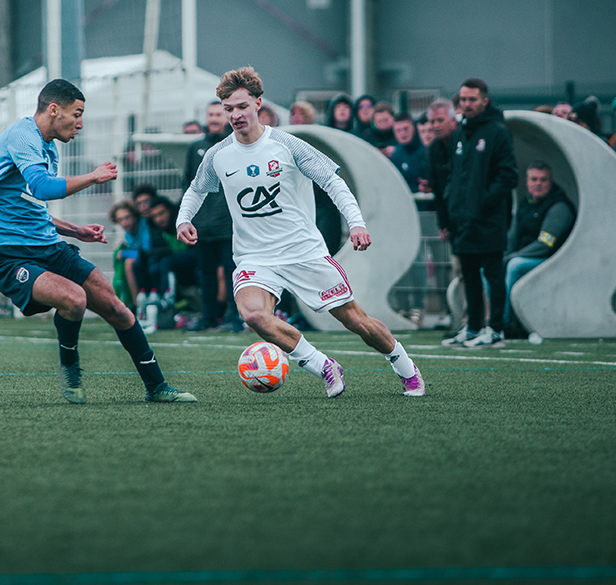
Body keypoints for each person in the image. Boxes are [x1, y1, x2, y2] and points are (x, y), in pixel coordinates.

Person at [177, 66, 425, 398]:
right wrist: (183, 219)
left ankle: (405, 368)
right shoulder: (218, 155)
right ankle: (323, 365)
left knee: (356, 320)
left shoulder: (288, 145)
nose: (235, 115)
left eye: (241, 106)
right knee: (253, 315)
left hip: (304, 252)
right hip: (255, 257)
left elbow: (333, 182)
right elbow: (195, 190)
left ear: (258, 104)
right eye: (228, 109)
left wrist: (357, 223)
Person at [0, 79, 195, 404]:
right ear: (54, 110)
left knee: (117, 308)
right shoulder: (22, 137)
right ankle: (71, 368)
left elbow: (28, 205)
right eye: (76, 114)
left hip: (50, 248)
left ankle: (157, 386)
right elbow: (41, 188)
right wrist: (94, 176)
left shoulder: (48, 146)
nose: (80, 123)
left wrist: (74, 230)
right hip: (8, 256)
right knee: (74, 299)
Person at [433, 78, 519, 348]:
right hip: (463, 222)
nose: (466, 104)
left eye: (472, 99)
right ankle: (472, 329)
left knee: (493, 275)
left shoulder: (497, 132)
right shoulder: (459, 134)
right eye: (463, 100)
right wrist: (453, 210)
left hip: (489, 220)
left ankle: (495, 330)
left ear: (485, 101)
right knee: (468, 276)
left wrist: (481, 204)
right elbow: (455, 178)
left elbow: (508, 176)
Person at [184, 101, 240, 332]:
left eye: (218, 114)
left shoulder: (235, 146)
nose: (214, 119)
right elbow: (187, 185)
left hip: (228, 226)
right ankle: (207, 317)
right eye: (210, 114)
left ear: (226, 117)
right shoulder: (195, 147)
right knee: (205, 275)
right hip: (202, 225)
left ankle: (236, 317)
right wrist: (186, 218)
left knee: (232, 273)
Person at [502, 162, 575, 337]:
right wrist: (503, 257)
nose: (538, 184)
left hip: (553, 261)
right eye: (534, 179)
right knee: (491, 266)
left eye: (543, 180)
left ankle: (504, 323)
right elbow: (512, 237)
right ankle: (487, 321)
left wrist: (511, 257)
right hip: (525, 257)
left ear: (551, 182)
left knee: (515, 265)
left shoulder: (559, 207)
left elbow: (544, 245)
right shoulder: (525, 204)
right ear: (527, 182)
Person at [388, 113, 429, 193]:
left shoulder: (425, 148)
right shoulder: (396, 154)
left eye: (405, 129)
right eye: (398, 130)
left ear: (414, 128)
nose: (402, 133)